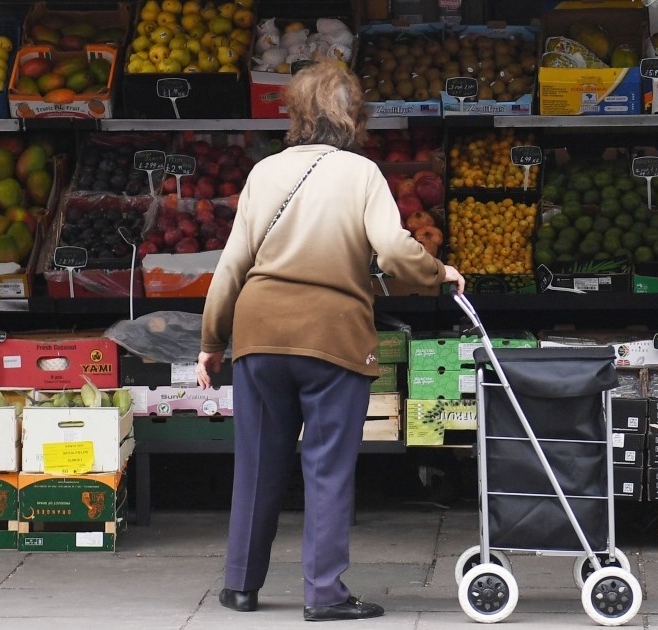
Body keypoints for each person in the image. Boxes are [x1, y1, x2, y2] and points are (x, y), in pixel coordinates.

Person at [196, 61, 465, 622]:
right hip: (334, 338)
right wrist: (438, 272)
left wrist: (211, 340)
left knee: (256, 466)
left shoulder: (265, 172)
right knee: (327, 470)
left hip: (259, 334)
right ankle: (324, 595)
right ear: (354, 115)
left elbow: (231, 266)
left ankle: (240, 586)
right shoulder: (361, 174)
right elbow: (392, 252)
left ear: (296, 112)